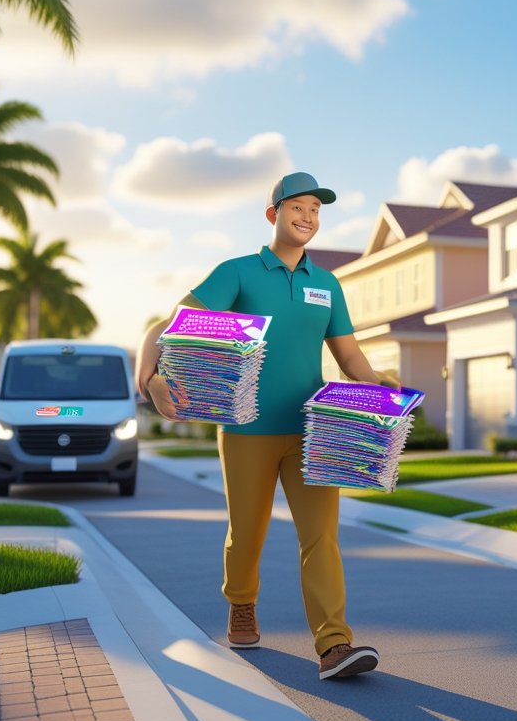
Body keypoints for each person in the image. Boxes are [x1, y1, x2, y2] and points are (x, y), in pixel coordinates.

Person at [137, 171, 399, 680]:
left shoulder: (326, 284)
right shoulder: (238, 273)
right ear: (273, 214)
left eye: (316, 210)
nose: (307, 217)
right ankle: (241, 604)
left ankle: (334, 644)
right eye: (297, 207)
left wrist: (388, 392)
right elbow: (174, 324)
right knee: (248, 533)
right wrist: (151, 378)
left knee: (322, 537)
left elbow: (350, 359)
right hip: (246, 430)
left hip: (313, 431)